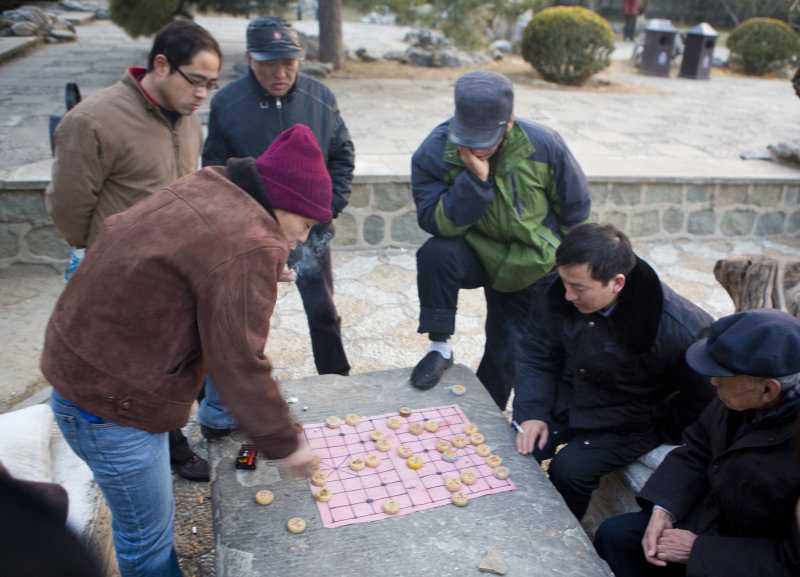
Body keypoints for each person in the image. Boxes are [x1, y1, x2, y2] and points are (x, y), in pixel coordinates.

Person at [42, 124, 325, 577]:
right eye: (305, 223)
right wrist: (283, 443)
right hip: (108, 401)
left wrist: (245, 273)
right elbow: (238, 360)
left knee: (149, 525)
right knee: (146, 540)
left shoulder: (214, 185)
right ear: (279, 203)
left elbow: (198, 259)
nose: (304, 238)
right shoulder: (252, 242)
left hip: (85, 365)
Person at [45, 19, 222, 483]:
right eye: (196, 81)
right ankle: (165, 451)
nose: (203, 94)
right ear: (160, 65)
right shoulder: (92, 120)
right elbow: (68, 212)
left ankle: (176, 436)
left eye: (211, 84)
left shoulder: (188, 121)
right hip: (116, 277)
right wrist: (110, 250)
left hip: (171, 273)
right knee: (129, 375)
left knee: (173, 364)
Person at [200, 16, 354, 439]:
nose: (281, 72)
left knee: (323, 310)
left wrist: (327, 207)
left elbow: (342, 154)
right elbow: (215, 170)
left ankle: (337, 379)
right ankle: (224, 403)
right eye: (270, 63)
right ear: (250, 59)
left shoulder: (321, 97)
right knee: (243, 317)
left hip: (311, 230)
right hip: (249, 238)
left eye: (289, 62)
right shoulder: (228, 104)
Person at [409, 70, 591, 409]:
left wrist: (569, 267)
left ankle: (486, 415)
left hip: (532, 262)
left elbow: (575, 210)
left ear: (508, 124)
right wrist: (475, 182)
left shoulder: (544, 144)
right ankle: (440, 348)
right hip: (477, 251)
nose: (475, 147)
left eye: (485, 139)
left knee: (507, 346)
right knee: (436, 253)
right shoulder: (435, 151)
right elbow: (434, 221)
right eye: (468, 137)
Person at [513, 223, 715, 521]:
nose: (567, 295)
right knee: (520, 447)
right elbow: (537, 352)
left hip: (628, 418)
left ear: (617, 283)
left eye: (578, 288)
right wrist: (532, 411)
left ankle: (559, 536)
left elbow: (701, 398)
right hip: (571, 392)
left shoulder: (681, 329)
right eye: (564, 281)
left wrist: (657, 428)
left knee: (568, 471)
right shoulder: (560, 287)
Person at [595, 308, 800, 577]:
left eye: (722, 376)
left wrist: (699, 551)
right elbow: (698, 448)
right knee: (617, 536)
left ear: (768, 389)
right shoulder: (742, 396)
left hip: (748, 557)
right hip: (710, 520)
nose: (713, 382)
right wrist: (663, 509)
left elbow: (792, 560)